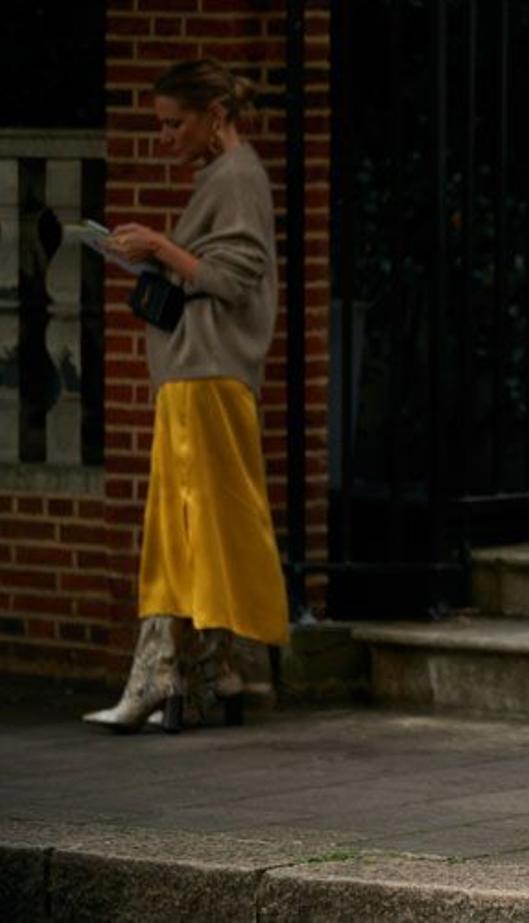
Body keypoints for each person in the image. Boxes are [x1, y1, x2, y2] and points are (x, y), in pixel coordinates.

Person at [83, 58, 289, 733]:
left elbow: (232, 277)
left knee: (179, 527)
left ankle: (162, 674)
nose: (166, 138)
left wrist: (158, 246)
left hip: (206, 373)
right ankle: (209, 670)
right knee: (204, 524)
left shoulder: (234, 175)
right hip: (203, 372)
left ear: (215, 116)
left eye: (175, 124)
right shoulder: (229, 175)